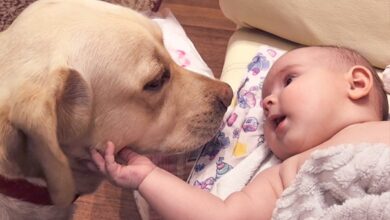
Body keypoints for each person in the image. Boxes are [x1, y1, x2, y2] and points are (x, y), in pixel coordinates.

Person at [90, 46, 390, 220]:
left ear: (357, 84)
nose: (268, 102)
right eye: (263, 100)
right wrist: (147, 177)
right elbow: (222, 216)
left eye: (289, 80)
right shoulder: (284, 173)